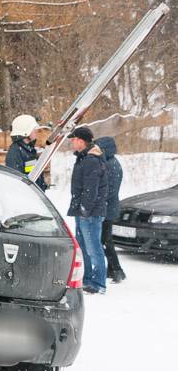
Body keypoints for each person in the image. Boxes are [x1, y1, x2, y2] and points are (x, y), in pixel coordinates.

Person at [67, 126, 108, 294]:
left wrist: (85, 209)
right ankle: (88, 279)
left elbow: (91, 189)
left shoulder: (91, 160)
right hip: (82, 211)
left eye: (73, 140)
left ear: (81, 141)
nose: (71, 142)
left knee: (93, 248)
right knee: (83, 247)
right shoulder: (84, 158)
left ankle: (98, 283)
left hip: (89, 213)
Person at [95, 136, 126, 283]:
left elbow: (109, 190)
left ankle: (117, 270)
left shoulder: (111, 165)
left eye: (99, 149)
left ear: (105, 150)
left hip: (107, 209)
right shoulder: (109, 162)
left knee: (105, 240)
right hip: (107, 208)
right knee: (105, 240)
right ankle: (112, 270)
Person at [6, 114, 47, 190]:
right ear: (25, 131)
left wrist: (42, 185)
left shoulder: (29, 149)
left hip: (34, 196)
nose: (36, 131)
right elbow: (16, 182)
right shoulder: (15, 152)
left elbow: (31, 172)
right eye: (33, 129)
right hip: (27, 197)